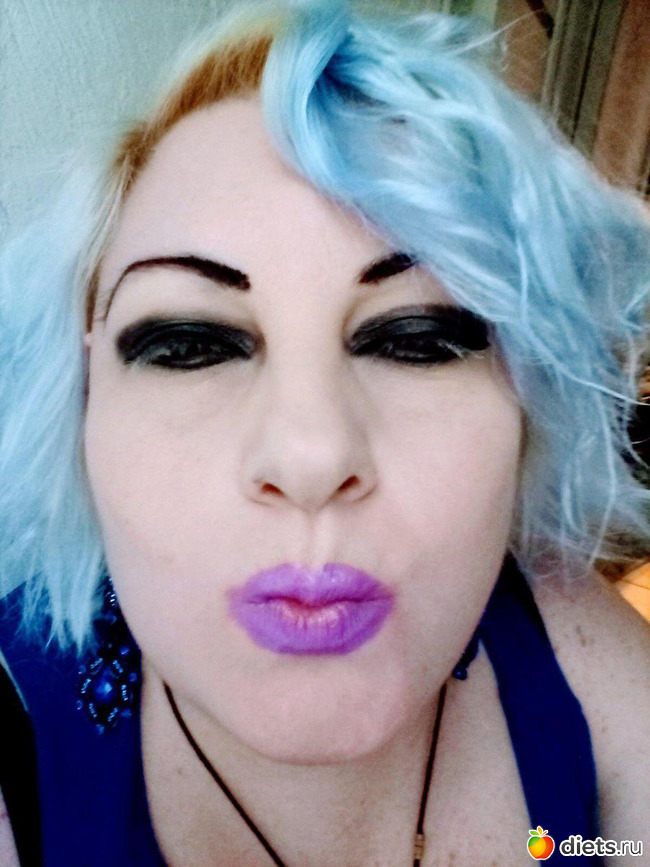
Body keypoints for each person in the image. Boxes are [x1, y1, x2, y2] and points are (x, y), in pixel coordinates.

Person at [1, 1, 649, 864]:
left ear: (528, 401)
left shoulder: (583, 652)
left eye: (417, 339)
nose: (312, 454)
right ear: (83, 398)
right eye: (190, 344)